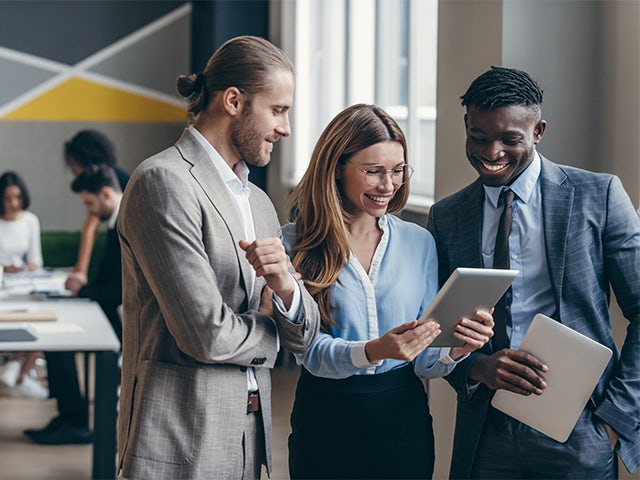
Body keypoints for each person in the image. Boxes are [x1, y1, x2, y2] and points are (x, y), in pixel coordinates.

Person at [116, 35, 320, 479]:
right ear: (233, 100)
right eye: (278, 110)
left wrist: (285, 289)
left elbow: (304, 337)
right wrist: (271, 330)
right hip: (180, 434)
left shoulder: (262, 204)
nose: (285, 128)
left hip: (251, 433)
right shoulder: (163, 182)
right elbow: (204, 333)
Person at [426, 66, 640, 479]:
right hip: (485, 429)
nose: (491, 153)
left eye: (510, 139)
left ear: (538, 131)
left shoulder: (600, 195)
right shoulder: (447, 216)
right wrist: (476, 368)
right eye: (479, 138)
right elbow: (436, 325)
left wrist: (615, 420)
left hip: (582, 427)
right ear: (466, 126)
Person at [283, 104, 495, 480]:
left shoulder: (419, 242)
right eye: (373, 171)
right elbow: (308, 352)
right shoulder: (294, 243)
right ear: (336, 169)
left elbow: (426, 363)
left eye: (398, 170)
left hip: (403, 421)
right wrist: (375, 350)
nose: (389, 185)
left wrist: (459, 348)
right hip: (325, 418)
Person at [24, 165, 123, 445]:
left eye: (90, 203)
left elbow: (119, 290)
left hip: (121, 319)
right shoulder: (116, 221)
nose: (90, 211)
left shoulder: (126, 222)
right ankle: (69, 417)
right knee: (55, 338)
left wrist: (85, 288)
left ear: (105, 193)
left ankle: (75, 422)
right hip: (109, 310)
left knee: (58, 342)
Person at [0, 170, 48, 400]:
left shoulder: (30, 221)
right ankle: (17, 369)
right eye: (7, 198)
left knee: (41, 323)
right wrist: (4, 269)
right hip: (2, 287)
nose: (13, 203)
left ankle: (17, 369)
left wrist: (29, 267)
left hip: (24, 286)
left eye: (17, 197)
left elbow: (36, 261)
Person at [64, 130, 129, 284]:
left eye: (75, 166)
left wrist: (81, 272)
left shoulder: (102, 182)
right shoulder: (115, 174)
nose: (75, 172)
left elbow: (90, 228)